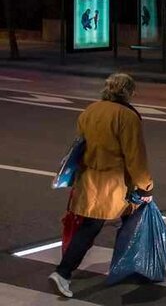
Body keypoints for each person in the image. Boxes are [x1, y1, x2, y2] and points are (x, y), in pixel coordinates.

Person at [49, 73, 153, 299]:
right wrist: (146, 187)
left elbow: (81, 144)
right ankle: (63, 271)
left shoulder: (90, 111)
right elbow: (135, 156)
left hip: (89, 178)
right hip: (113, 182)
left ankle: (129, 266)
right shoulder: (127, 116)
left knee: (106, 223)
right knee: (94, 227)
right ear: (128, 92)